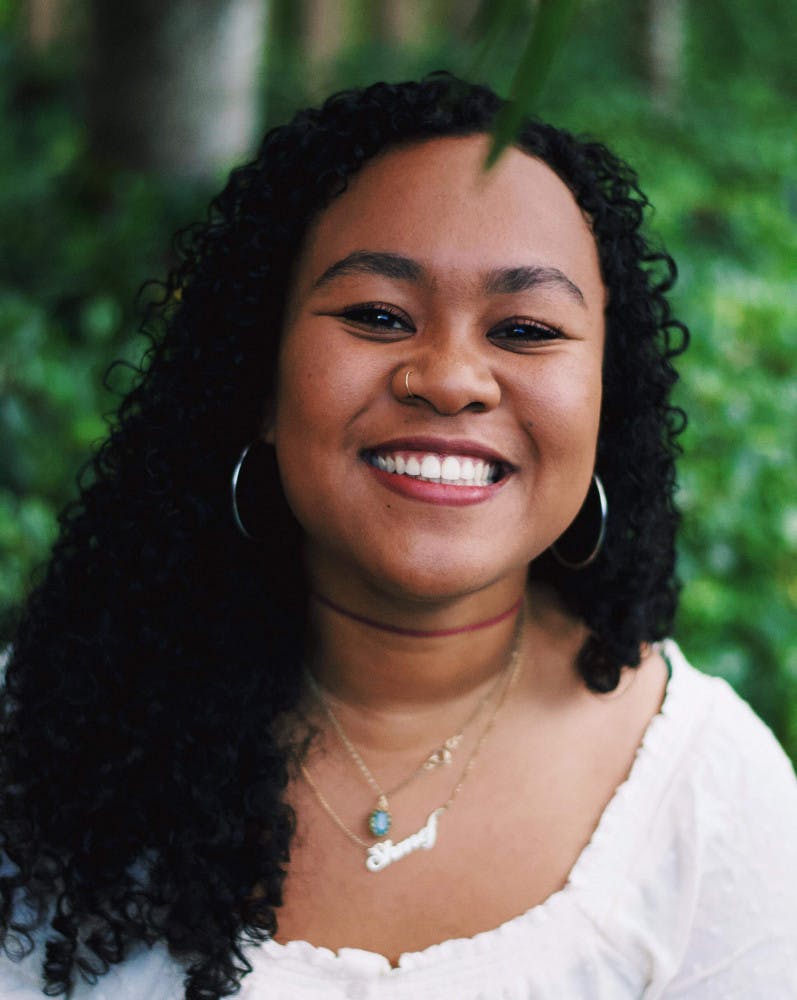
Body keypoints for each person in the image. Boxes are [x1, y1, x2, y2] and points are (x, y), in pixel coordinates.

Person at [1, 74, 795, 1000]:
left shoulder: (708, 803)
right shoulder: (43, 740)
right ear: (260, 378)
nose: (451, 377)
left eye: (527, 329)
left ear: (602, 405)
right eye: (378, 315)